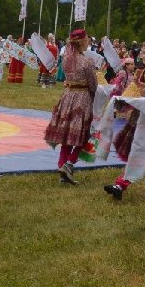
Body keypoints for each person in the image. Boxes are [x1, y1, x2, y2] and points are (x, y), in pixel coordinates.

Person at [103, 40, 145, 199]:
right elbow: (131, 92)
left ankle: (121, 184)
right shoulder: (139, 73)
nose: (144, 56)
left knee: (141, 150)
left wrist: (142, 103)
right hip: (138, 116)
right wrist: (120, 99)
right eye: (143, 52)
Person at [44, 28, 98, 185]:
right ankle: (69, 164)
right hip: (82, 97)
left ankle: (62, 168)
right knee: (84, 134)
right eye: (87, 38)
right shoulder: (87, 61)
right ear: (83, 41)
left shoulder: (66, 58)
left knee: (67, 136)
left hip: (67, 96)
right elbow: (93, 84)